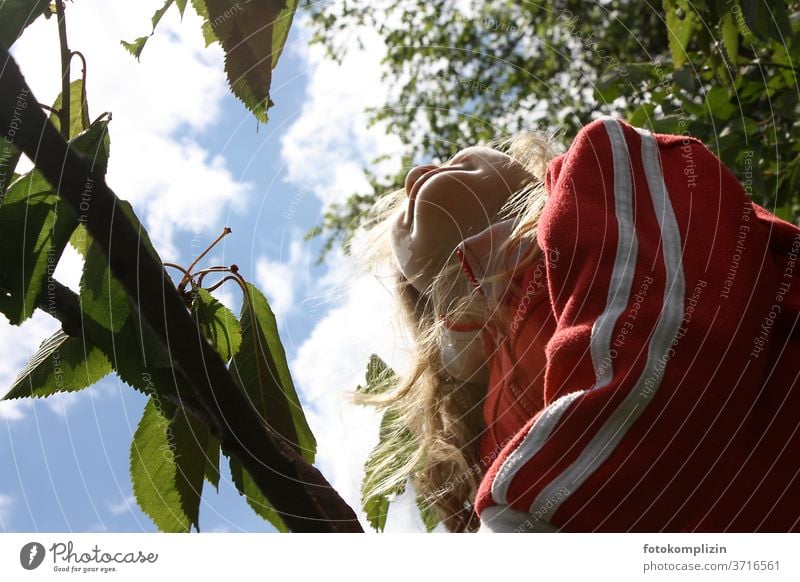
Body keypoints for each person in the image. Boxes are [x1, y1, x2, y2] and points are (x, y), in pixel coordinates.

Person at [360, 116, 800, 533]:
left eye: (456, 155)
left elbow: (672, 338)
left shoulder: (605, 172)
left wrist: (529, 523)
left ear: (528, 172)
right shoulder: (478, 435)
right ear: (422, 301)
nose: (417, 172)